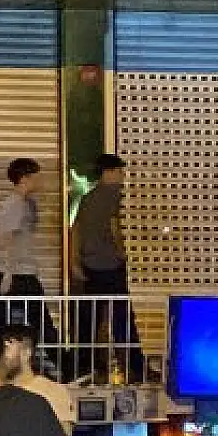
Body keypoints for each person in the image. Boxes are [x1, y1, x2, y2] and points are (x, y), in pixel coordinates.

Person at [71, 154, 143, 382]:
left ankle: (84, 366)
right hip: (110, 264)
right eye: (119, 172)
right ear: (108, 172)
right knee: (122, 317)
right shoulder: (113, 194)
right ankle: (134, 367)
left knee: (91, 317)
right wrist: (122, 251)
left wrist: (75, 261)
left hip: (89, 265)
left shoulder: (87, 198)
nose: (123, 177)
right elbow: (114, 226)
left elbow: (76, 230)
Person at [0, 158, 59, 346]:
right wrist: (7, 275)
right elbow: (6, 239)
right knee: (32, 324)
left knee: (9, 324)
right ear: (24, 178)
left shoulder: (27, 203)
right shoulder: (14, 204)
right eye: (36, 177)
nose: (41, 181)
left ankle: (62, 359)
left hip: (21, 272)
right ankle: (64, 360)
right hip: (16, 274)